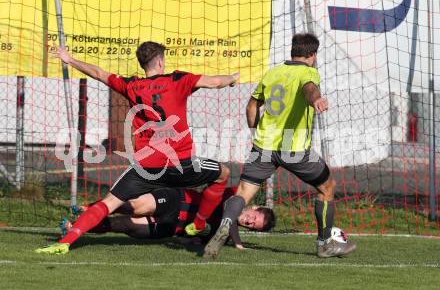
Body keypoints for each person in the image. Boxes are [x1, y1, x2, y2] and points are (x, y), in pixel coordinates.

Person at [36, 41, 239, 255]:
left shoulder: (132, 86)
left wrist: (70, 59)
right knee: (222, 173)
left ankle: (65, 242)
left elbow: (98, 73)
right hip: (181, 165)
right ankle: (198, 224)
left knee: (109, 202)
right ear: (160, 61)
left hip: (147, 167)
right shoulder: (178, 79)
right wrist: (233, 79)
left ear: (143, 64)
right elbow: (215, 82)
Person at [204, 33, 356, 258]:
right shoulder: (308, 72)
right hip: (292, 147)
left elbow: (251, 106)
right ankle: (325, 244)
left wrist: (256, 130)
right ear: (312, 55)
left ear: (293, 51)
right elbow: (309, 88)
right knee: (327, 187)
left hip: (263, 145)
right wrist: (316, 100)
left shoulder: (272, 72)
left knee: (243, 193)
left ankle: (225, 224)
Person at [58, 187, 276, 251]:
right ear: (254, 206)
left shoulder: (222, 236)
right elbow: (229, 211)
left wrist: (190, 241)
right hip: (177, 200)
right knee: (134, 206)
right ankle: (91, 209)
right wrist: (238, 244)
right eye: (252, 216)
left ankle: (74, 227)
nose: (248, 221)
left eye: (252, 225)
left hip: (171, 226)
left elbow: (193, 242)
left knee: (123, 225)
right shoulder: (234, 195)